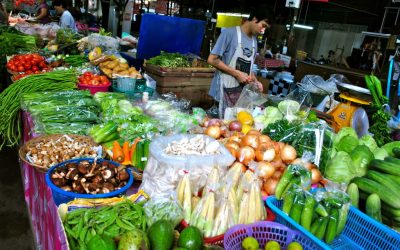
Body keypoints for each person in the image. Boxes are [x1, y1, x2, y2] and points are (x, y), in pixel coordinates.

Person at [207, 8, 272, 117]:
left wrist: (256, 82)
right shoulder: (229, 33)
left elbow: (249, 67)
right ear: (255, 19)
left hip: (240, 97)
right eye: (263, 25)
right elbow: (212, 59)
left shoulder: (254, 41)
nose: (262, 30)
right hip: (223, 92)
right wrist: (236, 73)